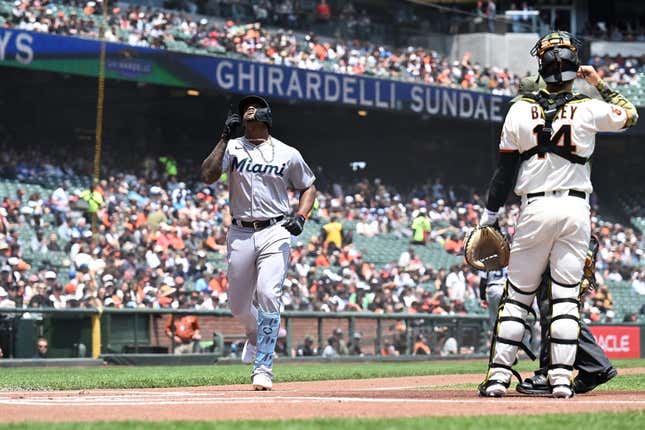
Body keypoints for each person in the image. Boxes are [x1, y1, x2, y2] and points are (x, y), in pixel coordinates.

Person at [478, 31, 638, 399]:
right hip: (576, 209)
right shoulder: (587, 106)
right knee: (566, 298)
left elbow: (503, 173)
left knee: (517, 297)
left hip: (535, 207)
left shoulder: (518, 109)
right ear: (572, 68)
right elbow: (629, 114)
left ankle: (500, 378)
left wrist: (489, 217)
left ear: (541, 67)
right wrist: (599, 83)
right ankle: (562, 381)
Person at [201, 95, 316, 390]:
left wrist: (301, 216)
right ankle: (254, 334)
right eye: (244, 110)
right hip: (240, 232)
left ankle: (263, 365)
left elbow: (309, 187)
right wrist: (224, 137)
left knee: (268, 292)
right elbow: (208, 175)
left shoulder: (287, 153)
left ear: (266, 116)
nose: (247, 111)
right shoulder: (233, 147)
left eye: (254, 107)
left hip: (275, 230)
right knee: (238, 306)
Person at [517, 237, 617, 395]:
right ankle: (592, 369)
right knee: (559, 312)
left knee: (556, 313)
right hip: (563, 246)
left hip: (558, 249)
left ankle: (553, 372)